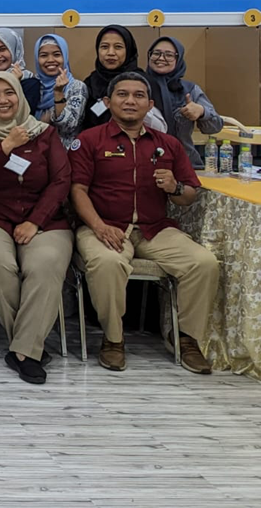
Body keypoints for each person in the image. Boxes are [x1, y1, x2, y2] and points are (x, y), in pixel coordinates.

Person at [70, 72, 217, 374]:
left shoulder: (169, 144)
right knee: (108, 263)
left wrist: (174, 187)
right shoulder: (89, 141)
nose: (130, 101)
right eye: (122, 94)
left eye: (138, 96)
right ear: (107, 102)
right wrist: (98, 227)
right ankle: (113, 339)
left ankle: (187, 339)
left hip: (154, 229)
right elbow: (77, 191)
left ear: (150, 104)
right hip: (103, 225)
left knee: (204, 263)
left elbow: (188, 195)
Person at [0, 73, 73, 384]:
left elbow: (61, 181)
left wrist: (36, 220)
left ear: (21, 97)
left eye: (10, 93)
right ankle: (30, 344)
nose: (3, 100)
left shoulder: (44, 134)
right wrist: (5, 145)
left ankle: (22, 350)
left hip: (42, 218)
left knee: (45, 265)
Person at [144, 37, 224, 168]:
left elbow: (215, 127)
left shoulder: (190, 90)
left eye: (169, 55)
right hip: (146, 164)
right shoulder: (138, 86)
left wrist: (202, 112)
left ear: (179, 59)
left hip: (184, 164)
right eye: (156, 53)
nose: (161, 58)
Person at [81, 24, 140, 130]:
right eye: (104, 47)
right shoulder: (90, 82)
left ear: (129, 50)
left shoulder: (142, 82)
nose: (110, 53)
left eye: (118, 47)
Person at [33, 33, 87, 149]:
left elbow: (69, 125)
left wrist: (58, 93)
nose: (50, 60)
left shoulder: (76, 87)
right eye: (43, 55)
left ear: (65, 56)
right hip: (35, 153)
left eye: (57, 54)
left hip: (65, 154)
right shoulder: (32, 85)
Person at [0, 28, 41, 114]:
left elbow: (23, 115)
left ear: (15, 50)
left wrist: (14, 82)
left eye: (2, 49)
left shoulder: (29, 83)